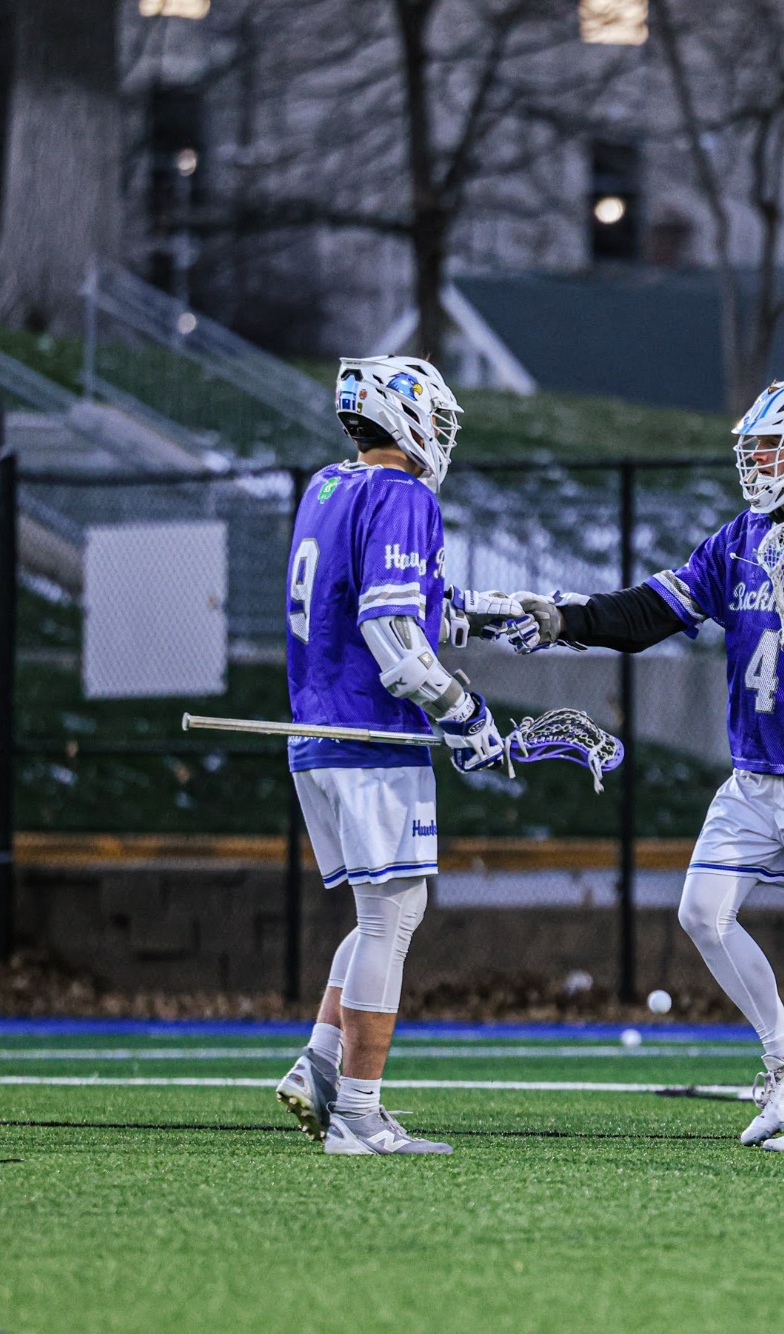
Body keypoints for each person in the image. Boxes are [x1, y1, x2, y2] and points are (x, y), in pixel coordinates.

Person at [489, 380, 784, 1154]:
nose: (759, 460)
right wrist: (567, 619)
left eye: (775, 446)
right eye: (756, 446)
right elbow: (654, 609)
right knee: (701, 911)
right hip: (756, 772)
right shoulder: (741, 535)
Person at [273, 356, 509, 1157]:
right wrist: (461, 710)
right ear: (404, 418)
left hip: (315, 732)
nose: (441, 436)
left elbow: (373, 601)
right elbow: (392, 634)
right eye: (435, 420)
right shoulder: (403, 493)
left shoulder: (327, 486)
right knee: (390, 916)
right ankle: (358, 1115)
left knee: (390, 912)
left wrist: (485, 612)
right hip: (371, 732)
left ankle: (320, 1063)